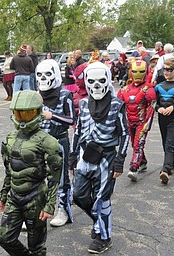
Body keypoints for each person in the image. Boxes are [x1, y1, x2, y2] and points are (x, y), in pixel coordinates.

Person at [70, 61, 129, 254]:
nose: (96, 85)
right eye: (92, 81)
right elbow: (78, 131)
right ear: (86, 81)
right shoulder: (85, 103)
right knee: (77, 195)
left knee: (102, 199)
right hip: (85, 156)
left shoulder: (117, 104)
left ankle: (104, 237)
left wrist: (120, 160)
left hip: (107, 157)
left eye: (101, 81)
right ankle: (99, 222)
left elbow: (125, 134)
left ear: (108, 80)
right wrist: (72, 157)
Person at [0, 90, 63, 256]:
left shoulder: (48, 142)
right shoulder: (10, 138)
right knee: (5, 238)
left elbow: (54, 178)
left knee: (37, 247)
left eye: (28, 113)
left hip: (35, 198)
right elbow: (9, 170)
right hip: (14, 195)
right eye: (19, 114)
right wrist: (4, 194)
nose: (23, 119)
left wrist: (50, 205)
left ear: (38, 112)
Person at [37, 59, 76, 227]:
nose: (43, 78)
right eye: (40, 75)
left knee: (60, 178)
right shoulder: (35, 94)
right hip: (38, 141)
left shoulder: (65, 95)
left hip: (58, 141)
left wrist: (52, 116)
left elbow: (71, 119)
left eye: (47, 74)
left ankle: (63, 209)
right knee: (36, 177)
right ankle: (37, 210)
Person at [117, 60, 156, 182]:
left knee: (138, 144)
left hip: (141, 122)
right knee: (134, 144)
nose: (138, 74)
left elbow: (151, 109)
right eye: (135, 71)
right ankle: (142, 161)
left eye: (141, 71)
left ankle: (134, 167)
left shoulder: (148, 89)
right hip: (129, 122)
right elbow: (117, 107)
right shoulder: (125, 89)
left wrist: (146, 124)